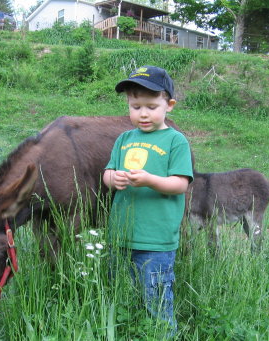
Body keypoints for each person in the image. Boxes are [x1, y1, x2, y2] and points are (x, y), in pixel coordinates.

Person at [103, 65, 194, 336]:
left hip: (156, 242)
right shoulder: (124, 139)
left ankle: (162, 335)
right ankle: (128, 332)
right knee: (120, 298)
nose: (143, 113)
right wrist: (113, 179)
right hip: (120, 237)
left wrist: (150, 180)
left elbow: (180, 184)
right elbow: (108, 172)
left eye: (152, 106)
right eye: (135, 106)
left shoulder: (175, 141)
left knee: (156, 301)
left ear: (169, 105)